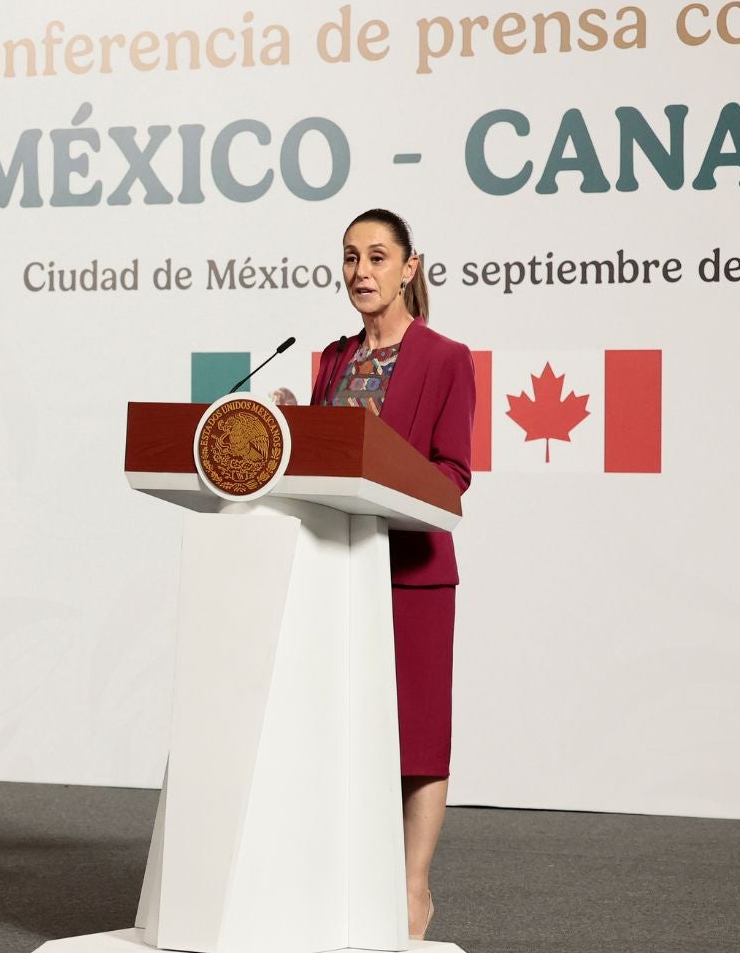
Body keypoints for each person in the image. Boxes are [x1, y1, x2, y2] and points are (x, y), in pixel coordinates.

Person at [308, 207, 474, 941]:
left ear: (410, 267)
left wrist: (390, 474)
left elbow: (453, 472)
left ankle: (413, 889)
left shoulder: (445, 357)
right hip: (334, 571)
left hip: (410, 572)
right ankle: (341, 876)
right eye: (350, 258)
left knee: (417, 736)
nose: (360, 272)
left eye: (377, 257)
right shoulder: (330, 360)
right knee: (343, 732)